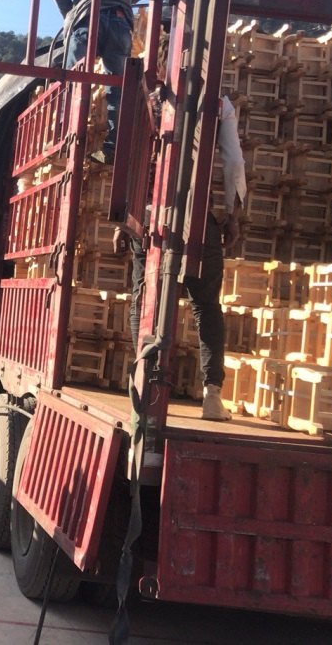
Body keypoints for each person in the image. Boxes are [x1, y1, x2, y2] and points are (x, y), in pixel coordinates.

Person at [121, 95, 247, 421]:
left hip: (151, 219)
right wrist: (232, 216)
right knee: (206, 307)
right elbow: (234, 163)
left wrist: (124, 219)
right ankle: (212, 396)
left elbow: (129, 159)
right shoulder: (220, 104)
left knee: (144, 300)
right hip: (198, 220)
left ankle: (145, 385)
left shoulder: (149, 98)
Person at [52, 0, 152, 166]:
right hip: (119, 24)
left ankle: (64, 137)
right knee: (117, 87)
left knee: (74, 80)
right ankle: (112, 146)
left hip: (87, 24)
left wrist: (72, 16)